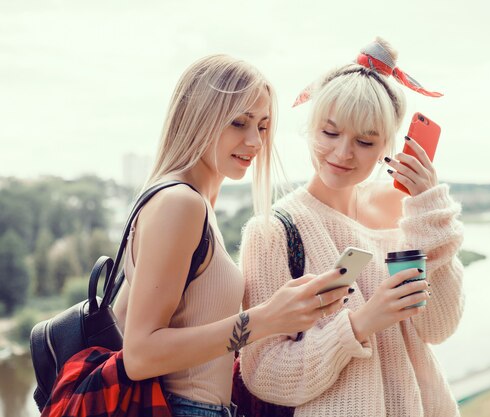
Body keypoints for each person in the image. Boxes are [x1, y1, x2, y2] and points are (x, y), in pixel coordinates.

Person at [111, 54, 350, 417]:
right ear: (198, 118)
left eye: (264, 126)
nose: (254, 141)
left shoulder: (194, 202)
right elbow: (141, 355)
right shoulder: (180, 203)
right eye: (239, 122)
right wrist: (266, 319)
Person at [238, 38, 464, 416]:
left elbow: (439, 328)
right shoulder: (273, 231)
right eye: (330, 133)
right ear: (310, 129)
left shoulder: (407, 210)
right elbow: (263, 373)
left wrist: (428, 206)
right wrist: (359, 324)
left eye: (364, 141)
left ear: (387, 145)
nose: (343, 153)